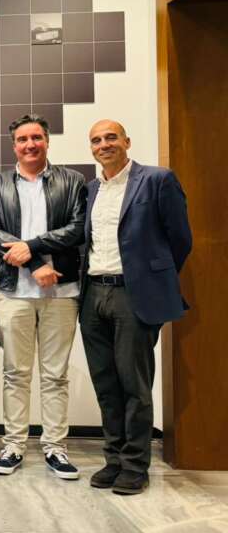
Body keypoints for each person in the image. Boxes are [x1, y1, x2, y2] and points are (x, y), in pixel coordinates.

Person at [80, 120, 191, 495]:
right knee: (106, 384)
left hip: (133, 295)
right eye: (96, 140)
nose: (104, 144)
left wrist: (151, 280)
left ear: (127, 141)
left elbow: (180, 239)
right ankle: (113, 459)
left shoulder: (157, 180)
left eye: (111, 137)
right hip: (93, 294)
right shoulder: (91, 189)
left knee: (134, 384)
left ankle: (134, 465)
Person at [0, 114, 86, 479]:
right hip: (14, 292)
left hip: (62, 291)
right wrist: (36, 264)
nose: (30, 144)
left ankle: (56, 447)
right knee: (15, 373)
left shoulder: (72, 181)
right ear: (14, 146)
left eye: (37, 137)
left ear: (47, 141)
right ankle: (13, 445)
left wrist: (34, 247)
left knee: (55, 375)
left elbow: (77, 229)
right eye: (23, 139)